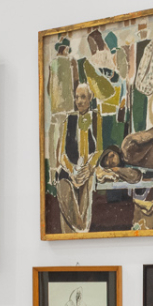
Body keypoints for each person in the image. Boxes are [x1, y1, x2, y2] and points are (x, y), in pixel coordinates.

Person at [55, 82, 100, 233]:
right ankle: (79, 229)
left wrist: (90, 167)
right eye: (77, 97)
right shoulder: (69, 119)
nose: (79, 101)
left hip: (88, 170)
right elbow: (62, 154)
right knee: (63, 186)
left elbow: (99, 149)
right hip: (71, 170)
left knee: (89, 184)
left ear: (90, 98)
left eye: (83, 97)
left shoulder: (96, 118)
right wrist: (72, 170)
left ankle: (82, 228)